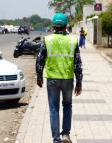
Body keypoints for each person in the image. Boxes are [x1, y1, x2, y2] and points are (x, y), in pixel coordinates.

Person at [36, 13, 83, 143]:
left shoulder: (47, 39)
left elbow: (40, 60)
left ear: (53, 25)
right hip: (68, 79)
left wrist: (39, 76)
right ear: (66, 25)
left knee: (54, 108)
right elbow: (77, 63)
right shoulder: (73, 40)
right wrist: (79, 82)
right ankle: (66, 135)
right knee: (67, 106)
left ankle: (56, 139)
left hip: (52, 79)